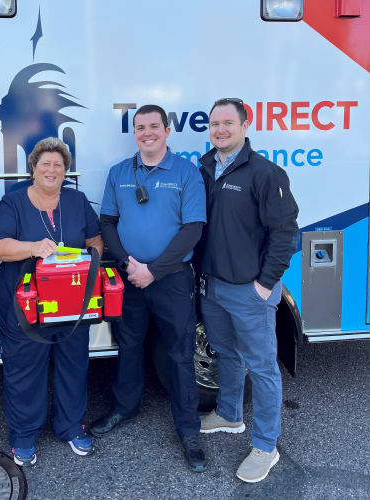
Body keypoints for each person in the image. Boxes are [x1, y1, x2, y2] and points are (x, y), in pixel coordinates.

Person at [90, 105, 208, 472]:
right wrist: (128, 264)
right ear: (135, 133)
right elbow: (107, 221)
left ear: (167, 130)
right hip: (129, 275)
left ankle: (188, 430)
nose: (146, 133)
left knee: (179, 352)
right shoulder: (120, 172)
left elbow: (193, 229)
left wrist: (154, 271)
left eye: (153, 126)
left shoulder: (187, 173)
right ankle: (125, 408)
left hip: (171, 279)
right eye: (140, 128)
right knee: (129, 345)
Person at [194, 98, 299, 483]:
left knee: (263, 367)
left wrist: (264, 284)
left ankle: (266, 445)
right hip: (213, 287)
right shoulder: (205, 168)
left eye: (227, 123)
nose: (220, 130)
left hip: (249, 291)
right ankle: (229, 414)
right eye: (214, 123)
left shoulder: (265, 173)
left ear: (244, 125)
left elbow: (285, 232)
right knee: (226, 354)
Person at [0, 137, 104, 467]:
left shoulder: (77, 200)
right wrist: (34, 247)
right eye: (45, 164)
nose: (51, 170)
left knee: (74, 365)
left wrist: (85, 265)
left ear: (66, 170)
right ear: (33, 168)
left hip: (72, 304)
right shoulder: (13, 203)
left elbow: (95, 240)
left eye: (58, 165)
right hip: (26, 308)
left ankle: (70, 427)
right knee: (24, 370)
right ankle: (24, 436)